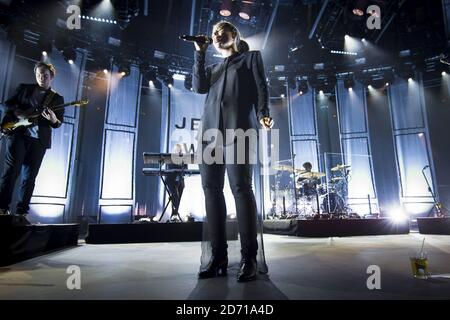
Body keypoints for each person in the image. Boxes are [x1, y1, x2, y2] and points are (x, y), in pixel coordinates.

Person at [192, 21, 273, 282]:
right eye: (213, 33)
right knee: (211, 192)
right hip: (209, 135)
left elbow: (262, 87)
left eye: (220, 31)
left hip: (239, 131)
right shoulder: (213, 68)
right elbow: (198, 87)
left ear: (234, 34)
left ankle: (249, 257)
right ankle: (218, 257)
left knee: (240, 188)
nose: (216, 36)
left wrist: (263, 114)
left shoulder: (250, 58)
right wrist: (199, 52)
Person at [0, 62, 64, 223]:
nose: (42, 77)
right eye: (39, 75)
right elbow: (6, 105)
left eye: (45, 75)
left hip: (38, 141)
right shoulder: (24, 88)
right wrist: (18, 113)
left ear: (52, 76)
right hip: (18, 135)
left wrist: (53, 118)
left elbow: (58, 123)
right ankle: (2, 208)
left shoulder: (56, 98)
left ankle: (22, 212)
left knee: (30, 178)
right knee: (11, 171)